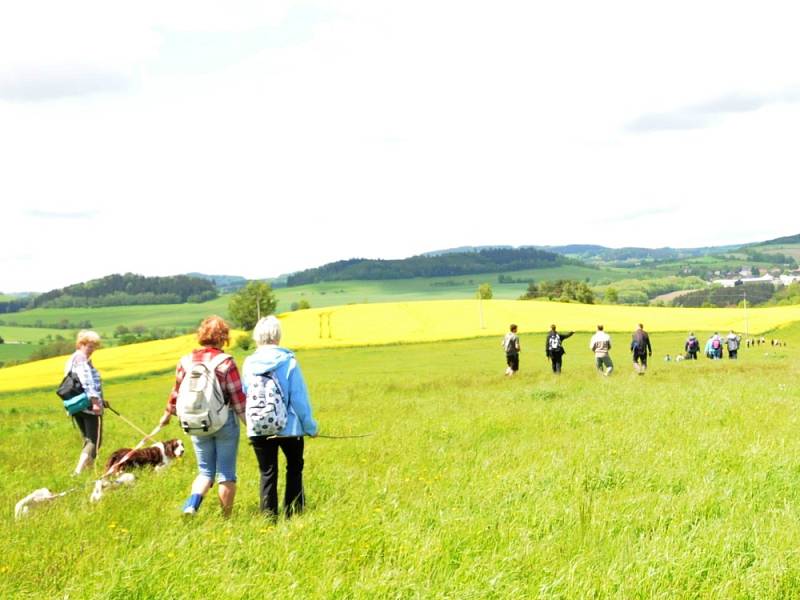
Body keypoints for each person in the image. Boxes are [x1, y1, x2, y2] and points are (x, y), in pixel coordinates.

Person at [158, 316, 246, 517]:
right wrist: (251, 426)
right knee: (226, 474)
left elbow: (176, 392)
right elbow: (238, 399)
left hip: (195, 422)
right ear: (223, 337)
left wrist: (166, 415)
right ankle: (227, 518)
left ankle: (191, 505)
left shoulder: (185, 361)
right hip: (224, 422)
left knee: (205, 471)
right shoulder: (225, 362)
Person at [242, 316, 318, 518]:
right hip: (289, 428)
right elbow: (299, 399)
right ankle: (293, 513)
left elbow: (245, 392)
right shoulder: (289, 361)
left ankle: (268, 517)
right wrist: (310, 427)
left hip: (258, 427)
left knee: (267, 472)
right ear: (278, 336)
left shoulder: (249, 363)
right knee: (294, 467)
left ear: (257, 336)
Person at [66, 330, 106, 475]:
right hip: (88, 405)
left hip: (76, 404)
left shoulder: (72, 359)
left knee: (88, 438)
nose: (92, 350)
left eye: (94, 346)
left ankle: (88, 471)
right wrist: (96, 402)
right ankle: (78, 472)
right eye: (89, 346)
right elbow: (87, 382)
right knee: (94, 440)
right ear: (81, 344)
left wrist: (102, 400)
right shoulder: (81, 359)